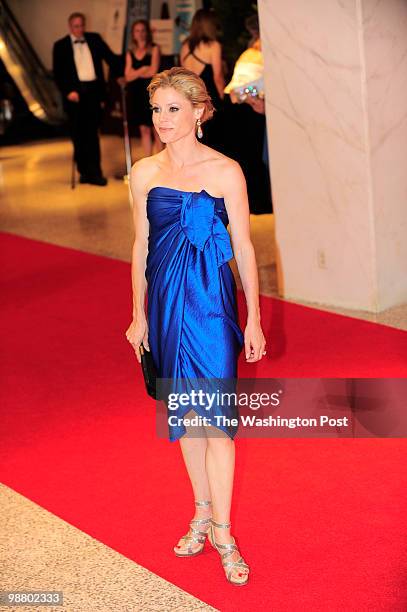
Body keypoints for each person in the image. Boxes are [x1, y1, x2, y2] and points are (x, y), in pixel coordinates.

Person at [125, 67, 266, 586]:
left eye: (173, 109)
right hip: (163, 305)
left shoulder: (226, 171)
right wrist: (138, 314)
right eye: (157, 109)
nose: (162, 119)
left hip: (211, 305)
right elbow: (140, 247)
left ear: (198, 112)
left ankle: (224, 532)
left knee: (218, 423)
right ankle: (201, 512)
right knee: (183, 417)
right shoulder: (143, 172)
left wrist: (254, 318)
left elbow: (245, 248)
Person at [53, 12, 120, 186]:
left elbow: (110, 58)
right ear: (70, 27)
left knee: (92, 134)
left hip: (93, 93)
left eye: (82, 25)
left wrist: (124, 70)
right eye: (76, 26)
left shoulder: (94, 39)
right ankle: (83, 172)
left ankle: (95, 173)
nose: (79, 29)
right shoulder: (60, 46)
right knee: (78, 135)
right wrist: (68, 91)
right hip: (74, 94)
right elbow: (58, 73)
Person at [180, 9, 224, 148]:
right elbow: (218, 76)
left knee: (195, 142)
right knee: (215, 143)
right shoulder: (214, 46)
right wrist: (223, 100)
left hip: (190, 99)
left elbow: (184, 76)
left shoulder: (185, 47)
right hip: (210, 100)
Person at [125, 20, 162, 158]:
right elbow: (127, 76)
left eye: (142, 30)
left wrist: (135, 73)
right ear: (133, 34)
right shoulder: (130, 52)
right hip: (136, 94)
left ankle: (160, 162)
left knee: (156, 129)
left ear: (147, 32)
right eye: (137, 31)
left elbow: (153, 71)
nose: (140, 34)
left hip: (151, 93)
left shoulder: (154, 48)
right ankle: (148, 161)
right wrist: (141, 69)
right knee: (143, 129)